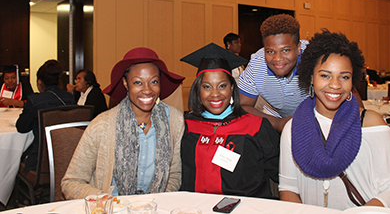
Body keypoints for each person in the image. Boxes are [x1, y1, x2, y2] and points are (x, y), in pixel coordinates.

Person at [279, 30, 390, 210]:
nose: (335, 84)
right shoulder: (293, 129)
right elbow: (289, 189)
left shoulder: (369, 123)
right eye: (325, 75)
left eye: (344, 76)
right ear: (311, 77)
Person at [61, 47, 185, 199]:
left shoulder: (174, 120)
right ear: (126, 84)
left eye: (153, 82)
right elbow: (71, 182)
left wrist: (157, 201)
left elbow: (174, 175)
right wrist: (107, 201)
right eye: (138, 82)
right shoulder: (102, 125)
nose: (147, 90)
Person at [180, 43, 279, 198]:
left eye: (222, 86)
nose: (215, 94)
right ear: (198, 90)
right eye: (207, 87)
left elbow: (283, 175)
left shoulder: (255, 127)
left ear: (232, 88)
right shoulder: (185, 127)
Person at [238, 14, 309, 132]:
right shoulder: (257, 64)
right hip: (280, 120)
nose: (278, 58)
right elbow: (243, 106)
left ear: (298, 47)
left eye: (285, 50)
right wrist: (278, 123)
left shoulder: (317, 59)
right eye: (270, 51)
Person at [16, 60, 76, 172]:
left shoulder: (35, 100)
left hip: (40, 163)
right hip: (67, 160)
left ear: (39, 82)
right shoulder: (70, 99)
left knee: (15, 159)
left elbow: (22, 127)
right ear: (58, 81)